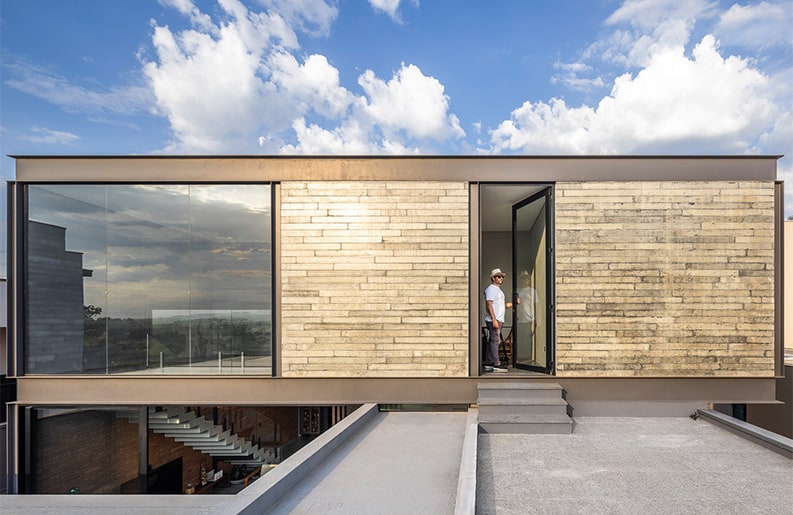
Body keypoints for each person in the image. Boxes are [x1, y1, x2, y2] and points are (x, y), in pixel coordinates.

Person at [484, 268, 512, 371]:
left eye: (502, 277)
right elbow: (489, 304)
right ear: (493, 278)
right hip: (494, 320)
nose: (501, 278)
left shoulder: (497, 290)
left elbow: (497, 305)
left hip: (497, 319)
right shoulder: (491, 289)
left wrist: (509, 305)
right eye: (499, 276)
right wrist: (494, 319)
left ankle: (489, 362)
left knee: (493, 340)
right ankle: (496, 363)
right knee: (495, 340)